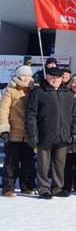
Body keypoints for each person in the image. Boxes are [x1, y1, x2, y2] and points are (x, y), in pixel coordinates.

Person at [25, 66, 76, 200]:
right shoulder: (38, 92)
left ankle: (57, 188)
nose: (55, 80)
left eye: (58, 78)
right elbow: (31, 115)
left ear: (62, 79)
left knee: (60, 164)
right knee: (43, 164)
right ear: (47, 78)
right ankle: (43, 189)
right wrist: (33, 134)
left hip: (63, 135)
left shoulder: (68, 93)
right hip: (44, 134)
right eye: (52, 78)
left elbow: (74, 115)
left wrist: (73, 132)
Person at [1, 65, 36, 197]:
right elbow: (3, 110)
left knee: (28, 162)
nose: (26, 78)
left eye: (28, 75)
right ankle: (8, 188)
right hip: (14, 133)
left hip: (29, 134)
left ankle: (26, 186)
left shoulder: (34, 90)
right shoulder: (10, 90)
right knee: (11, 163)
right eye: (24, 75)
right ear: (18, 76)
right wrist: (4, 129)